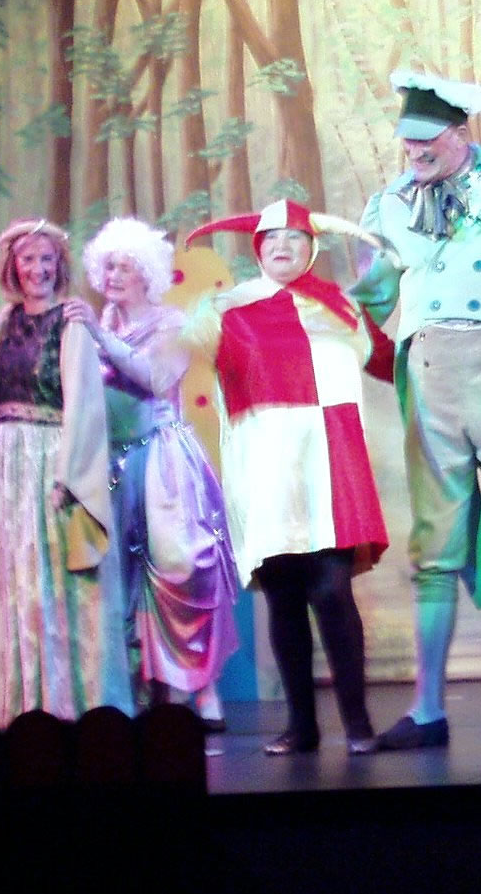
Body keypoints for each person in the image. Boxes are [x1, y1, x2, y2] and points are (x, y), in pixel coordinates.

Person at [353, 70, 481, 750]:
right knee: (433, 549)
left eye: (427, 138)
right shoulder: (389, 204)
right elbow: (375, 295)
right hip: (432, 377)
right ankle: (427, 707)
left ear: (459, 132)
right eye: (406, 138)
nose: (414, 150)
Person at [181, 199, 393, 756]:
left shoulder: (341, 308)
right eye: (271, 238)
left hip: (330, 463)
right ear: (257, 248)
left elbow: (390, 362)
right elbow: (171, 356)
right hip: (266, 468)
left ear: (311, 248)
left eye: (295, 238)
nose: (282, 246)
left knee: (332, 589)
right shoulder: (224, 309)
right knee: (283, 596)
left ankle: (358, 724)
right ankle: (302, 726)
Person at [66, 217, 240, 721]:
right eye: (108, 267)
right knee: (120, 576)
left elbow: (155, 376)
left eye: (125, 266)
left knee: (181, 568)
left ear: (147, 273)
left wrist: (98, 335)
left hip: (163, 460)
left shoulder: (171, 323)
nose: (114, 275)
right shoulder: (102, 324)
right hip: (112, 463)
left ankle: (201, 688)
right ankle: (143, 690)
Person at [0, 218, 131, 725]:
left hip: (53, 455)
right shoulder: (2, 321)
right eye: (28, 259)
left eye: (46, 259)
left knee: (58, 575)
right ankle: (24, 702)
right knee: (18, 576)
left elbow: (84, 400)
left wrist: (70, 472)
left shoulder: (71, 319)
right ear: (12, 267)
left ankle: (73, 701)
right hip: (11, 459)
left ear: (58, 266)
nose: (37, 269)